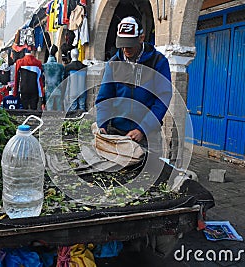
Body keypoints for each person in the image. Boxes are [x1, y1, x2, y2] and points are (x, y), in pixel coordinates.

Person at [95, 16, 174, 257]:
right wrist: (103, 125)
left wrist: (143, 128)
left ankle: (148, 239)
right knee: (117, 185)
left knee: (148, 186)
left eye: (130, 44)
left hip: (147, 134)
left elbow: (162, 98)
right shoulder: (114, 63)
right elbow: (104, 97)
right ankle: (122, 236)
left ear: (142, 37)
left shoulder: (158, 62)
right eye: (122, 45)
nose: (126, 50)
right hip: (118, 134)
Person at [64, 48, 87, 112]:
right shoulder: (84, 67)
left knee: (73, 110)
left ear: (71, 55)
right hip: (82, 90)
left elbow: (65, 80)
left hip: (72, 90)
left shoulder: (67, 67)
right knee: (82, 108)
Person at [43, 45, 64, 111]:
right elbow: (63, 79)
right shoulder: (61, 66)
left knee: (49, 110)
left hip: (49, 91)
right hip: (58, 90)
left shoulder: (44, 66)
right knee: (59, 111)